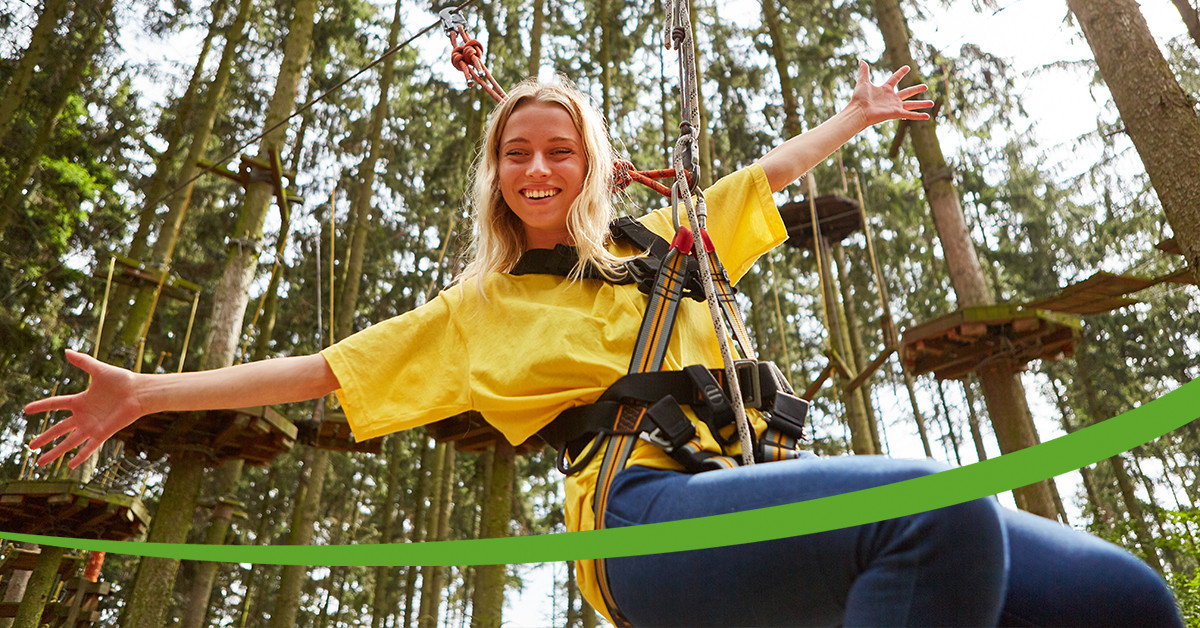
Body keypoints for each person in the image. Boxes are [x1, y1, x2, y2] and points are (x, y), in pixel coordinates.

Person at [26, 62, 1180, 627]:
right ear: (496, 173)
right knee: (934, 505)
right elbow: (324, 370)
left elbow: (769, 177)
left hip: (754, 499)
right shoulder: (476, 310)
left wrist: (857, 116)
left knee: (1127, 598)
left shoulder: (668, 249)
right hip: (640, 530)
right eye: (517, 152)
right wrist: (145, 390)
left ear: (590, 164)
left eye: (560, 151)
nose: (538, 168)